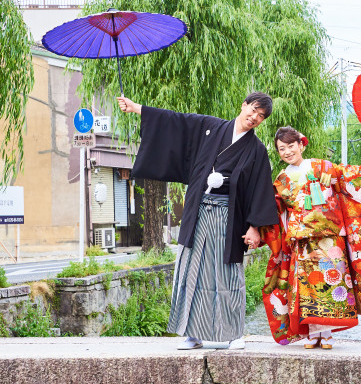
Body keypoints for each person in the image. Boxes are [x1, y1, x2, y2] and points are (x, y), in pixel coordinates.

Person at [117, 93, 279, 350]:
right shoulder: (210, 127)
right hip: (199, 211)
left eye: (261, 117)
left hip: (230, 216)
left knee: (227, 275)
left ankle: (234, 334)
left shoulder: (257, 150)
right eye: (253, 110)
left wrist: (254, 226)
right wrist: (137, 108)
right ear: (243, 104)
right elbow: (176, 122)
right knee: (191, 269)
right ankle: (192, 334)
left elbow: (260, 189)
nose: (254, 118)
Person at [260, 126, 361, 349]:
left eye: (291, 146)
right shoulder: (282, 179)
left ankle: (327, 333)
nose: (287, 152)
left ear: (301, 144)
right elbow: (272, 209)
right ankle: (312, 333)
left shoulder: (321, 166)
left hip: (331, 236)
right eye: (282, 149)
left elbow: (348, 176)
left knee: (333, 285)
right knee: (308, 285)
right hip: (302, 239)